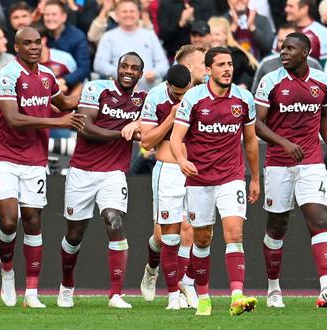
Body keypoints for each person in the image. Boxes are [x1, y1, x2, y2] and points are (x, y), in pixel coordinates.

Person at [0, 27, 85, 309]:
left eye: (37, 42)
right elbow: (13, 118)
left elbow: (63, 103)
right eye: (27, 43)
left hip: (35, 160)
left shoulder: (47, 75)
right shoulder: (8, 75)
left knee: (32, 221)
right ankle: (8, 273)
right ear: (16, 47)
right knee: (8, 221)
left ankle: (31, 291)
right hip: (5, 156)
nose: (34, 47)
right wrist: (59, 123)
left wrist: (92, 92)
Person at [254, 32, 327, 309]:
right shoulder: (270, 81)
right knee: (277, 225)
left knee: (318, 218)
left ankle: (326, 288)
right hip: (278, 164)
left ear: (305, 52)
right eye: (282, 48)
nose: (284, 52)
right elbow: (258, 124)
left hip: (311, 163)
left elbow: (323, 116)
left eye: (290, 48)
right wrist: (284, 143)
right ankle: (273, 288)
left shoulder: (322, 81)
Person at [170, 46, 260, 316]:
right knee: (202, 239)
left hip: (231, 177)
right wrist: (182, 160)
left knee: (234, 232)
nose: (227, 69)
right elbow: (176, 138)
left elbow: (252, 141)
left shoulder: (244, 99)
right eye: (221, 64)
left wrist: (255, 178)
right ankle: (205, 298)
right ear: (208, 70)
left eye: (230, 64)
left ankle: (236, 296)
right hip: (199, 179)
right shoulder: (194, 99)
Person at [56, 52, 147, 310]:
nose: (128, 71)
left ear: (141, 74)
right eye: (124, 66)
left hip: (113, 173)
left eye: (134, 68)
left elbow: (155, 122)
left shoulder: (143, 99)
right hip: (81, 171)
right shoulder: (97, 88)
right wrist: (123, 132)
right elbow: (85, 125)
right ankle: (66, 286)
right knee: (74, 235)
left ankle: (116, 294)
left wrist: (139, 123)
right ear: (117, 68)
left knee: (114, 220)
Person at [130, 45, 206, 310]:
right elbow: (147, 142)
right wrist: (172, 119)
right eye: (200, 63)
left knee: (190, 230)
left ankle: (183, 286)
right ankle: (152, 270)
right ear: (185, 66)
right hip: (168, 169)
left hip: (196, 169)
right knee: (162, 237)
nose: (204, 68)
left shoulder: (203, 93)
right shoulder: (157, 96)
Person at [93, 0, 168, 91]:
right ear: (117, 15)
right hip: (117, 93)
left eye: (132, 11)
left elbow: (163, 63)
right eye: (124, 11)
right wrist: (121, 73)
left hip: (147, 94)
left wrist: (155, 73)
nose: (128, 14)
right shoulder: (108, 37)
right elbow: (99, 64)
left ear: (138, 14)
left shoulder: (150, 35)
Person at [251, 24, 322, 95]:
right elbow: (256, 94)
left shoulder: (313, 65)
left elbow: (324, 95)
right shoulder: (266, 65)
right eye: (281, 41)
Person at [43, 0, 91, 95]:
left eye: (54, 14)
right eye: (47, 15)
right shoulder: (41, 35)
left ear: (64, 17)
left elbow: (84, 68)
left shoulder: (77, 36)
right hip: (46, 83)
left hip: (73, 83)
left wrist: (64, 80)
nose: (50, 18)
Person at [208, 16, 257, 89]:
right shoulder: (202, 53)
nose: (213, 38)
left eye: (217, 34)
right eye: (211, 34)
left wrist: (244, 84)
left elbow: (251, 72)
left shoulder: (237, 54)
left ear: (226, 35)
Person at [285, 0, 327, 65]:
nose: (286, 9)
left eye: (290, 6)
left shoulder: (323, 33)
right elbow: (273, 61)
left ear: (304, 9)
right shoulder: (283, 31)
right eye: (287, 6)